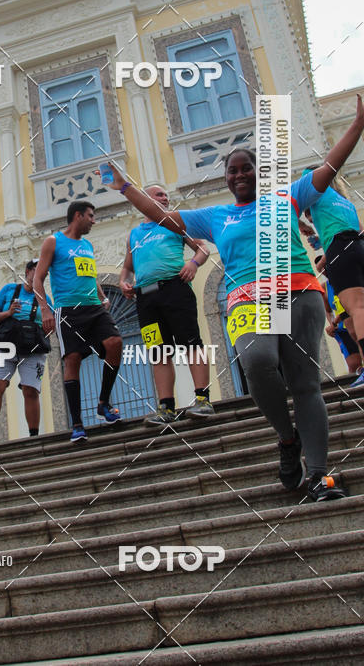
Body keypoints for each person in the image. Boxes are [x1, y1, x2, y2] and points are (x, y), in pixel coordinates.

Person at [104, 92, 364, 502]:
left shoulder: (288, 195)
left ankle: (316, 475)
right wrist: (125, 188)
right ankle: (286, 438)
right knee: (258, 360)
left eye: (246, 169)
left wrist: (356, 126)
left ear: (260, 172)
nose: (240, 175)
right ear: (226, 178)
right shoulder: (217, 216)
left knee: (305, 384)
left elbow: (330, 167)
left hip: (298, 295)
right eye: (233, 171)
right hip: (248, 299)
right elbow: (163, 217)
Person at [119, 184, 214, 424]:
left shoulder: (176, 223)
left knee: (191, 344)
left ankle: (202, 399)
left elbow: (202, 248)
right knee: (158, 352)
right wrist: (123, 282)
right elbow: (127, 268)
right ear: (145, 199)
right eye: (159, 194)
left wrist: (193, 263)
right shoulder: (134, 234)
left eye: (166, 195)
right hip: (146, 299)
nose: (165, 198)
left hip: (175, 289)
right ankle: (166, 408)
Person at [34, 201, 123, 443]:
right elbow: (38, 280)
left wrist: (103, 297)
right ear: (77, 215)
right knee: (72, 360)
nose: (94, 221)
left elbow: (89, 275)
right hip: (68, 311)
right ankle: (77, 424)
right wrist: (46, 311)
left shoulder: (87, 245)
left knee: (115, 343)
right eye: (91, 216)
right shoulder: (53, 241)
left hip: (94, 307)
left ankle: (103, 403)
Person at [0, 260, 53, 445]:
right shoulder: (9, 290)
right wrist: (8, 313)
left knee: (30, 390)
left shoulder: (45, 299)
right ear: (28, 271)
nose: (41, 275)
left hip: (32, 347)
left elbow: (51, 324)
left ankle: (34, 436)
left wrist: (46, 327)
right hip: (5, 344)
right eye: (37, 271)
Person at [300, 171, 364, 365]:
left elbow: (284, 206)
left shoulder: (314, 188)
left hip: (340, 251)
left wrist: (302, 226)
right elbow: (359, 231)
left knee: (357, 309)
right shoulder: (345, 202)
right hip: (359, 247)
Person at [313, 254, 364, 386]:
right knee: (353, 364)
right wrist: (332, 325)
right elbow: (327, 310)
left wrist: (335, 321)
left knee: (359, 343)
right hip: (343, 327)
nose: (324, 271)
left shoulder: (345, 277)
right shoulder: (325, 287)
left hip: (352, 319)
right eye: (322, 269)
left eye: (325, 267)